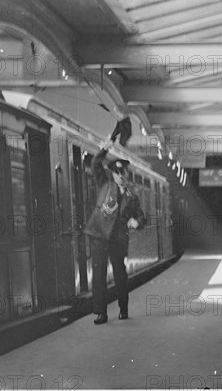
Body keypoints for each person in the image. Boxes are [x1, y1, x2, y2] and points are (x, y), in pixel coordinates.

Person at [83, 137, 146, 325]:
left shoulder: (132, 197)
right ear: (112, 173)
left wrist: (136, 221)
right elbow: (95, 163)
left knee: (120, 274)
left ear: (126, 174)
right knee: (99, 274)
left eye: (123, 172)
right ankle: (100, 313)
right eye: (117, 172)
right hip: (99, 236)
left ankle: (123, 308)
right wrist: (104, 149)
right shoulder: (104, 184)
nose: (121, 175)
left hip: (118, 239)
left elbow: (142, 218)